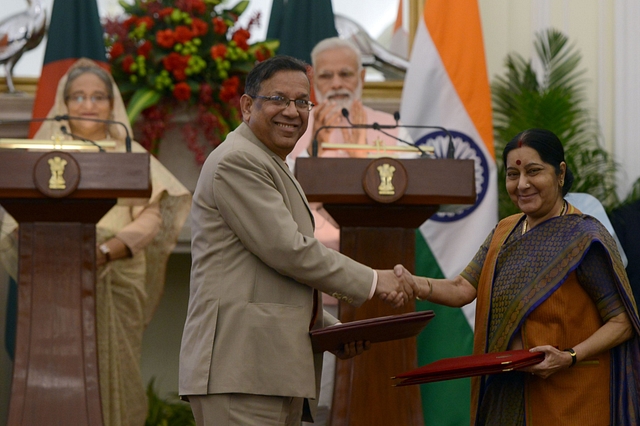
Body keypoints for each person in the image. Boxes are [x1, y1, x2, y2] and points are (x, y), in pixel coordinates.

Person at [178, 55, 415, 426]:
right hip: (240, 370)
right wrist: (373, 280)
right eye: (278, 99)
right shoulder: (238, 161)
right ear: (246, 106)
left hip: (270, 369)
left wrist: (331, 331)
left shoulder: (271, 162)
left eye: (302, 102)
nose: (292, 111)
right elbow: (287, 251)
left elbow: (272, 279)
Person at [399, 128, 640, 425]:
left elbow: (622, 322)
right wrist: (413, 284)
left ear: (560, 173)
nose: (522, 184)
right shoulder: (505, 230)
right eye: (513, 175)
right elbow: (462, 288)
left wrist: (570, 356)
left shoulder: (584, 238)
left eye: (534, 172)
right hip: (509, 393)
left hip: (569, 396)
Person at [0, 58, 191, 426]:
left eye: (98, 97)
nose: (88, 105)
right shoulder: (41, 155)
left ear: (112, 104)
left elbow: (154, 214)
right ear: (64, 105)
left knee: (114, 374)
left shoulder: (129, 154)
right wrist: (49, 251)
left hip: (116, 268)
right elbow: (12, 220)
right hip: (51, 274)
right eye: (78, 97)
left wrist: (106, 251)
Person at [286, 37, 415, 252]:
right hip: (308, 255)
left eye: (345, 74)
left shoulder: (394, 128)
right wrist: (312, 152)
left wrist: (363, 160)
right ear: (313, 82)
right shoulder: (292, 127)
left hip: (377, 249)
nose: (336, 83)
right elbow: (281, 194)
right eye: (326, 76)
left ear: (362, 77)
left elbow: (412, 191)